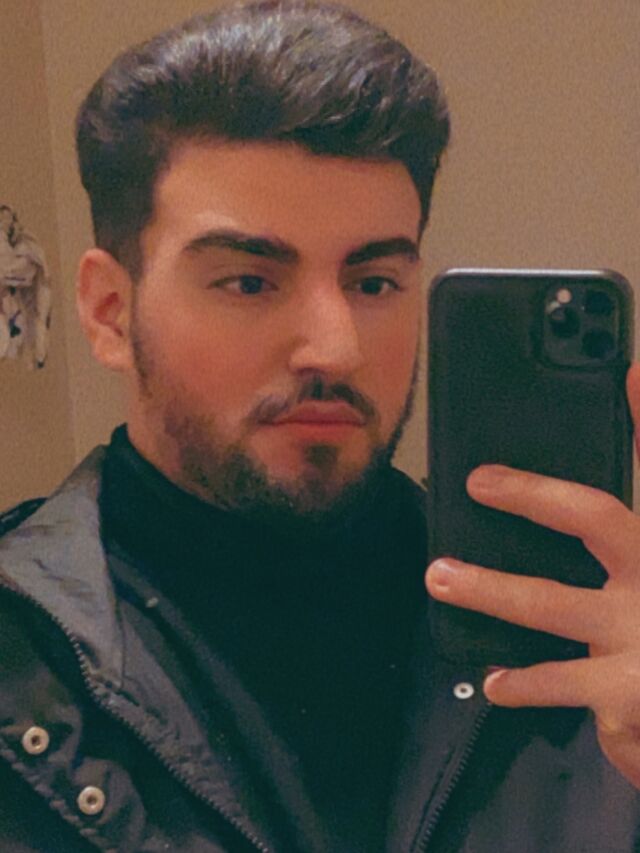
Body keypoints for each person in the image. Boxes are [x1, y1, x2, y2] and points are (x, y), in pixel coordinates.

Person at [1, 1, 640, 850]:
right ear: (110, 310)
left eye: (374, 283)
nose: (336, 349)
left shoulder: (581, 643)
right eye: (249, 282)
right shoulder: (22, 659)